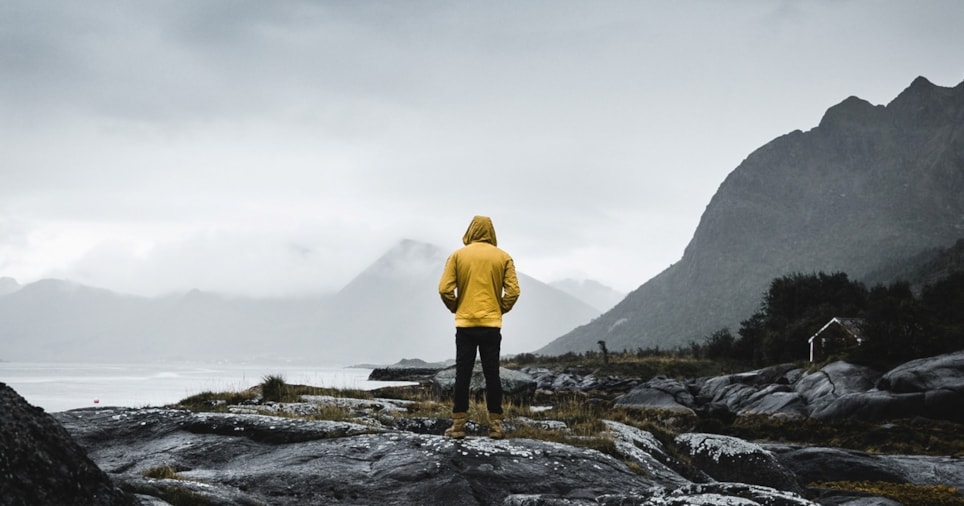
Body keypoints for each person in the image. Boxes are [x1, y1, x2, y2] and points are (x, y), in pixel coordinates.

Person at [438, 215, 520, 439]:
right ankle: (495, 427)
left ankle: (458, 427)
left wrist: (457, 307)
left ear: (471, 230)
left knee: (462, 374)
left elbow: (445, 289)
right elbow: (513, 291)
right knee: (492, 374)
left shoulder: (457, 256)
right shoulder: (503, 257)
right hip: (491, 325)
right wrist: (499, 309)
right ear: (491, 232)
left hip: (465, 324)